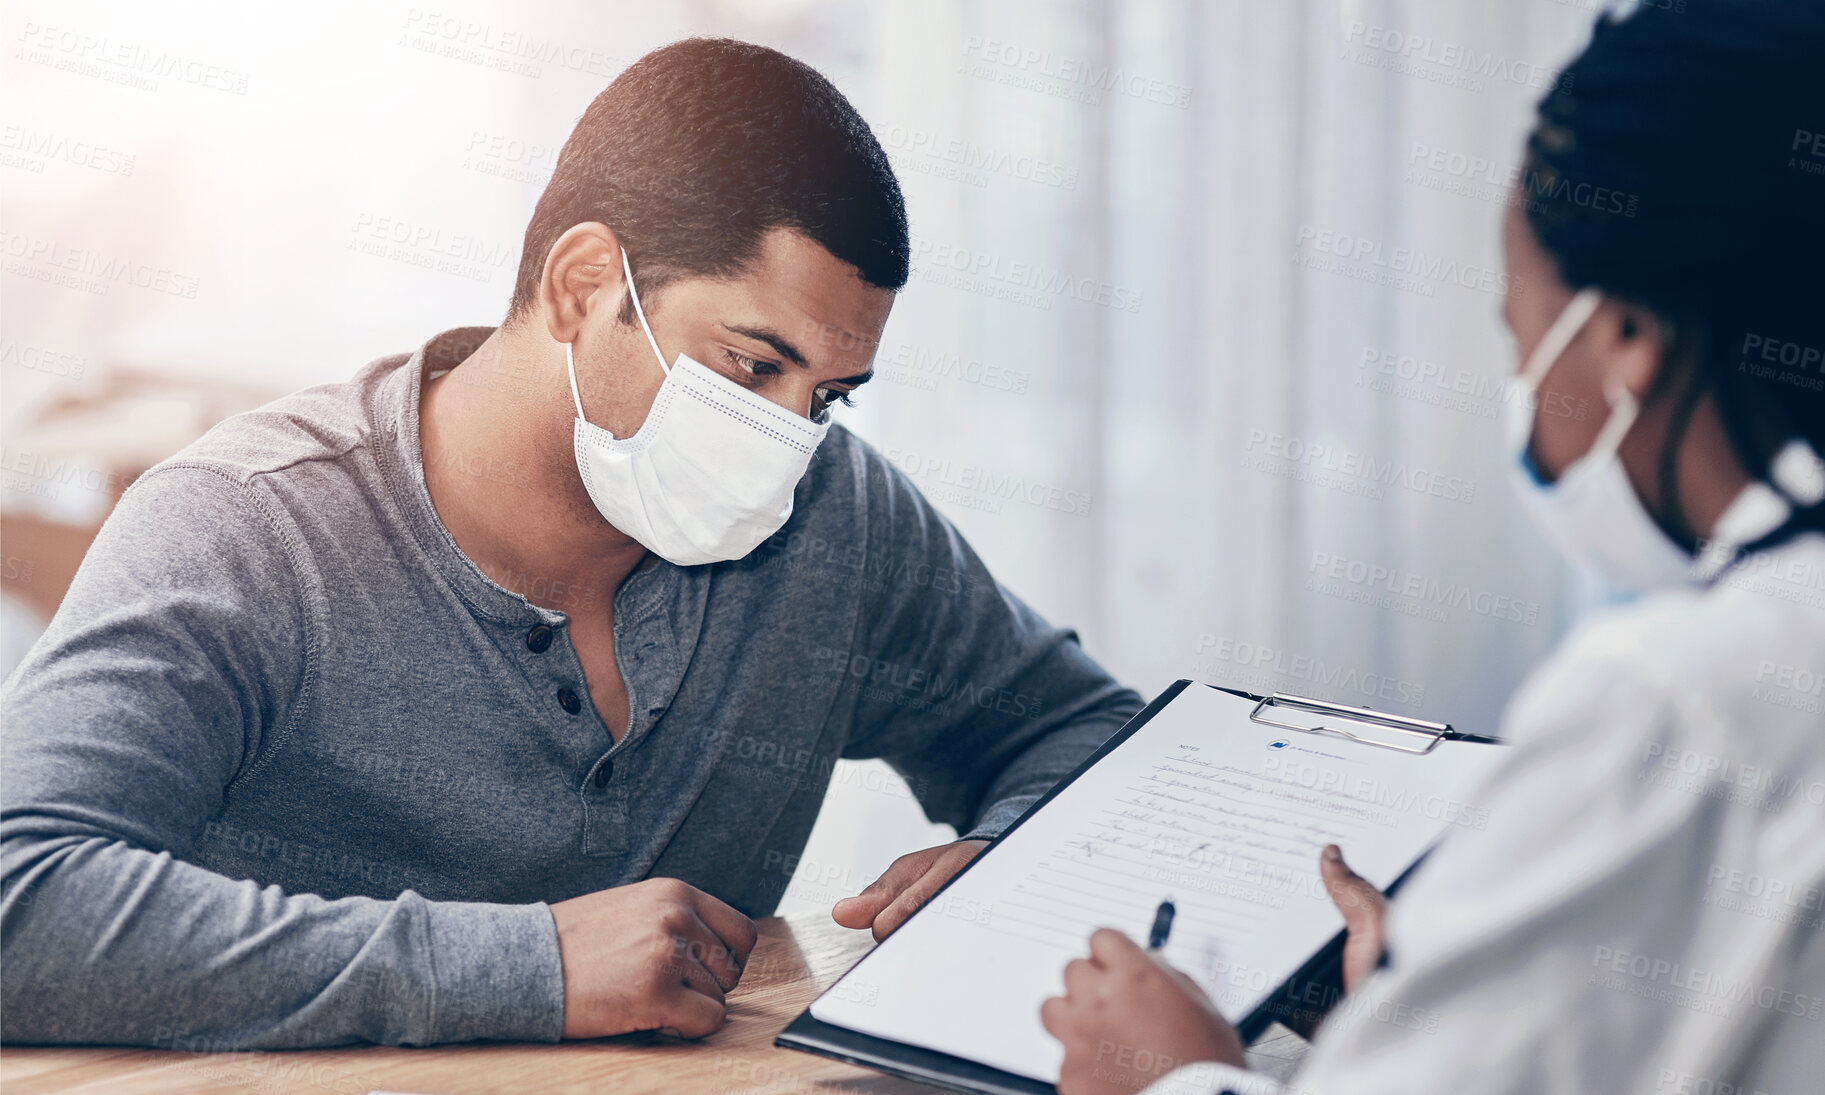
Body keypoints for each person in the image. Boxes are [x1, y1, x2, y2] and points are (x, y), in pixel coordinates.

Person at [0, 39, 1143, 1049]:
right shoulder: (250, 527)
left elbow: (1079, 731)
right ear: (584, 283)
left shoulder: (834, 516)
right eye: (752, 366)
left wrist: (1012, 859)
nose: (789, 440)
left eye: (831, 394)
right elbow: (21, 905)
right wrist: (528, 967)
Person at [1041, 1, 1825, 1092]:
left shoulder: (1676, 701)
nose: (1522, 390)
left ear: (1627, 337)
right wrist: (1456, 991)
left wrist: (1173, 1075)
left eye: (1519, 337)